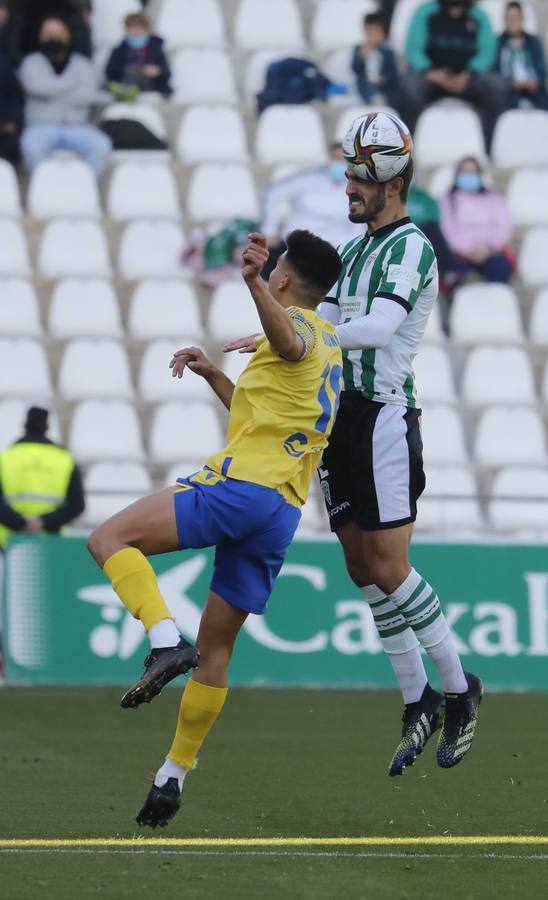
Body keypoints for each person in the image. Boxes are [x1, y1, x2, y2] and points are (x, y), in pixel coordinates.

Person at [226, 113, 483, 778]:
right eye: (348, 175)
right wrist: (274, 329)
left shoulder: (411, 248)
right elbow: (328, 320)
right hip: (339, 418)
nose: (349, 187)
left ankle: (459, 689)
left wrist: (314, 336)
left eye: (360, 178)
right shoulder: (361, 249)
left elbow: (377, 327)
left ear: (394, 184)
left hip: (383, 417)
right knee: (361, 569)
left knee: (390, 565)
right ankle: (415, 697)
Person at [87, 230, 343, 828]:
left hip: (240, 489)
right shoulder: (334, 343)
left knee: (107, 539)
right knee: (218, 649)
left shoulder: (299, 328)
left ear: (283, 279)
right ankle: (173, 774)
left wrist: (250, 282)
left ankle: (162, 639)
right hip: (280, 509)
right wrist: (213, 375)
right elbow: (269, 418)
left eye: (274, 269)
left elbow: (286, 337)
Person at [399, 0, 507, 152]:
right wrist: (430, 72)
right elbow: (413, 49)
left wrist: (469, 74)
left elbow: (487, 53)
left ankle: (488, 149)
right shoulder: (425, 12)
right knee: (408, 85)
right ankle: (408, 150)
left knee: (497, 85)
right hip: (433, 79)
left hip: (468, 80)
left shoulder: (479, 16)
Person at [18, 16, 112, 179]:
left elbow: (88, 95)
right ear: (40, 36)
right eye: (48, 33)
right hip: (40, 127)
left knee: (101, 145)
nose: (53, 37)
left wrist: (50, 92)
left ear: (67, 35)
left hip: (78, 127)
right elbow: (37, 87)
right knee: (30, 146)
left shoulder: (82, 63)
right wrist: (72, 83)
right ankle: (44, 190)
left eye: (58, 33)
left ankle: (85, 190)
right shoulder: (30, 62)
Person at [261, 143, 363, 277]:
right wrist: (269, 230)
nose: (339, 163)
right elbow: (272, 194)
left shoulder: (360, 189)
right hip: (293, 248)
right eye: (336, 158)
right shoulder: (308, 179)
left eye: (344, 160)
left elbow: (360, 223)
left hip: (334, 255)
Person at [0, 406, 85, 549]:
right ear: (46, 428)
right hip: (51, 541)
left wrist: (22, 523)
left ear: (25, 425)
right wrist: (43, 522)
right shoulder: (65, 460)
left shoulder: (5, 458)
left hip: (9, 542)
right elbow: (77, 505)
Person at [440, 156, 514, 284]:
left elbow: (503, 227)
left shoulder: (494, 199)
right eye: (465, 172)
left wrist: (488, 248)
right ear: (457, 175)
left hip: (490, 252)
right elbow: (446, 230)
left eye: (472, 172)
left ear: (480, 175)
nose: (469, 176)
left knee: (499, 267)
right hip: (460, 254)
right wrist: (469, 250)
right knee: (453, 275)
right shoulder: (448, 201)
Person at [105, 12, 172, 98]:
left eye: (139, 29)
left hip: (150, 86)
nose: (136, 32)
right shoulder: (118, 50)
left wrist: (157, 71)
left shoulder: (156, 50)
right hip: (125, 84)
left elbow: (167, 72)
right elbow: (110, 72)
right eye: (132, 29)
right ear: (127, 30)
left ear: (146, 30)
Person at [496, 1, 548, 111]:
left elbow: (542, 70)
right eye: (509, 18)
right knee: (507, 106)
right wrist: (510, 83)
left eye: (515, 18)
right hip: (509, 89)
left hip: (533, 88)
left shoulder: (534, 42)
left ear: (522, 18)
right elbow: (495, 70)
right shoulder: (498, 43)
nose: (513, 22)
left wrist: (536, 81)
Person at [351, 12, 399, 108]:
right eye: (370, 31)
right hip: (367, 82)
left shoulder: (387, 51)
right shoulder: (359, 49)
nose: (373, 35)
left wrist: (384, 78)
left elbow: (393, 72)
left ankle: (386, 103)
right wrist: (361, 56)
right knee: (364, 84)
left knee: (393, 90)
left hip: (384, 85)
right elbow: (355, 69)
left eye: (376, 31)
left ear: (382, 32)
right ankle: (374, 99)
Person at [0, 49, 22, 166]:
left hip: (3, 124)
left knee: (11, 144)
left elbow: (14, 96)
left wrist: (11, 121)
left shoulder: (3, 61)